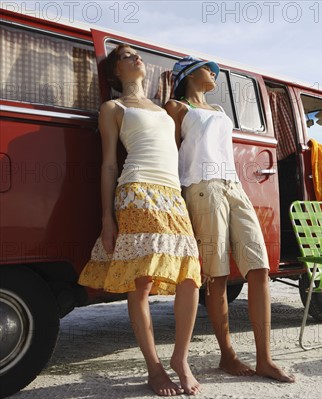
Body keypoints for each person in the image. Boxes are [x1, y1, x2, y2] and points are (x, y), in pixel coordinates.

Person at [79, 45, 202, 396]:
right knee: (143, 281)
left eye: (137, 55)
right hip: (137, 191)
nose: (136, 59)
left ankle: (181, 359)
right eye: (127, 56)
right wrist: (107, 218)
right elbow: (108, 164)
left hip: (172, 195)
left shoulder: (164, 109)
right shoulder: (113, 108)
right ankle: (154, 367)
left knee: (190, 276)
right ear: (115, 72)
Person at [165, 56, 294, 383]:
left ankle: (264, 358)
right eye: (210, 69)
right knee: (217, 276)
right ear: (190, 74)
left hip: (233, 186)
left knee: (260, 267)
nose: (215, 73)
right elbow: (170, 154)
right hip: (201, 186)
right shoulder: (177, 107)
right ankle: (227, 354)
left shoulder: (220, 112)